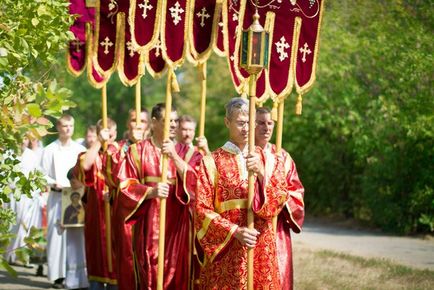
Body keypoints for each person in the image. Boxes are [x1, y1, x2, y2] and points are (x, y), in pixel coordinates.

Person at [194, 97, 291, 288]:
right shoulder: (211, 161)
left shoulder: (267, 158)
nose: (246, 129)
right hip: (227, 248)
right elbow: (201, 209)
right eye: (240, 123)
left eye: (249, 123)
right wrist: (235, 231)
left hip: (260, 244)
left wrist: (262, 174)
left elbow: (280, 196)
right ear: (227, 122)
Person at [117, 103, 202, 289]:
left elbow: (197, 183)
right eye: (167, 120)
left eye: (175, 121)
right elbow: (125, 185)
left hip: (178, 227)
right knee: (151, 273)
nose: (173, 125)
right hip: (149, 225)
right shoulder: (136, 152)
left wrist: (174, 156)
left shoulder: (188, 153)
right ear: (154, 123)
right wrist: (149, 191)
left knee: (177, 272)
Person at [255, 107, 305, 289]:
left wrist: (279, 195)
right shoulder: (244, 155)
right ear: (252, 124)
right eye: (260, 123)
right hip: (251, 228)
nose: (266, 128)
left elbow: (297, 193)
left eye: (270, 123)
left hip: (276, 230)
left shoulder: (283, 157)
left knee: (277, 279)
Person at [71, 117, 118, 290]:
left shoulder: (121, 154)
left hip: (116, 218)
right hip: (95, 217)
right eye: (105, 133)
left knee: (117, 261)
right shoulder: (88, 154)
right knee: (96, 258)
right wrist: (99, 142)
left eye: (111, 134)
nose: (109, 138)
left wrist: (115, 194)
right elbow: (85, 166)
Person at [104, 109, 148, 290]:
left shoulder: (154, 148)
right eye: (134, 120)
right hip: (126, 215)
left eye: (143, 121)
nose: (138, 125)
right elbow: (114, 177)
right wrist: (133, 150)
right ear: (127, 123)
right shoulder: (116, 148)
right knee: (127, 258)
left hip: (149, 214)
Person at [40, 114, 86, 289]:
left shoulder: (79, 149)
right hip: (57, 195)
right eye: (65, 126)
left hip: (74, 195)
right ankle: (57, 276)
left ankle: (75, 275)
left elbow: (83, 172)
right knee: (56, 233)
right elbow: (41, 173)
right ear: (58, 127)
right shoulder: (49, 150)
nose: (68, 129)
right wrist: (53, 183)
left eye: (71, 126)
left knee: (75, 234)